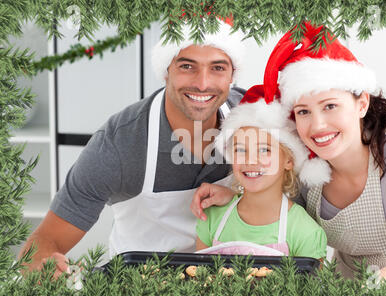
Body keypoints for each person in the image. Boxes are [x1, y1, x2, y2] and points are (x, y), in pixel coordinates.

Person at [191, 21, 386, 280]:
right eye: (304, 111)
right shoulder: (306, 163)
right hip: (344, 284)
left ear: (361, 103)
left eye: (330, 106)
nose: (317, 126)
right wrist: (234, 194)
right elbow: (274, 203)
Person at [18, 18, 246, 277]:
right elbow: (42, 243)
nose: (203, 83)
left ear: (232, 76)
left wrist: (240, 195)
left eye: (217, 67)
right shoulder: (120, 144)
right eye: (187, 66)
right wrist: (46, 266)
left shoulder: (252, 118)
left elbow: (287, 201)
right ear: (166, 71)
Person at [195, 85, 329, 259]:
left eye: (264, 150)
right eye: (240, 150)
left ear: (289, 160)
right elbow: (196, 280)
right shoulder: (212, 219)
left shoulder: (305, 232)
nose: (250, 160)